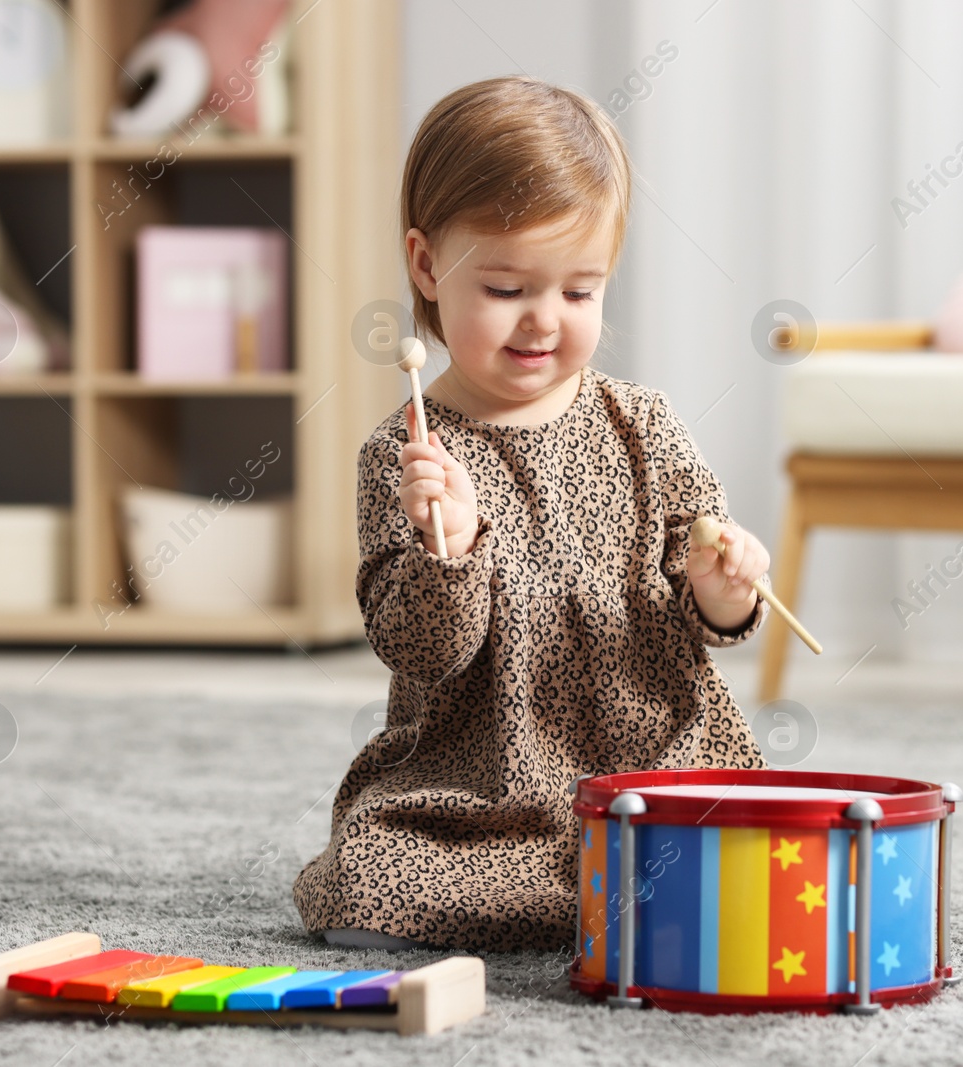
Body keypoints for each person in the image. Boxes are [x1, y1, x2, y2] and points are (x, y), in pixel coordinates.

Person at [293, 75, 771, 953]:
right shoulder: (407, 456)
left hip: (647, 771)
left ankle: (617, 886)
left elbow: (714, 615)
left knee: (739, 849)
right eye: (509, 288)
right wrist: (457, 546)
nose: (544, 321)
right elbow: (421, 650)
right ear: (429, 264)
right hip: (482, 793)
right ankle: (586, 897)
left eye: (580, 292)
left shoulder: (646, 425)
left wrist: (725, 588)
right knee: (366, 880)